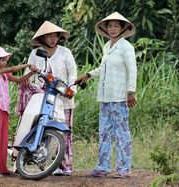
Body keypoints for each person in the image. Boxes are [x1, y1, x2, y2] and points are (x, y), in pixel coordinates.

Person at [75, 12, 137, 178]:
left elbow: (132, 70)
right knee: (104, 132)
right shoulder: (107, 46)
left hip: (120, 97)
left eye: (116, 26)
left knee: (121, 133)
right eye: (110, 26)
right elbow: (103, 69)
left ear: (123, 28)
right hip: (105, 97)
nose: (112, 29)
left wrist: (131, 91)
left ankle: (124, 169)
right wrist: (87, 75)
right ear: (105, 28)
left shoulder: (126, 47)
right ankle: (102, 167)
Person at [16, 21, 77, 176]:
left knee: (65, 131)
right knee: (33, 127)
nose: (52, 39)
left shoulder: (65, 52)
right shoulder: (35, 53)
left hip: (63, 98)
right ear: (42, 38)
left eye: (55, 35)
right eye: (48, 36)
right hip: (41, 98)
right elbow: (29, 73)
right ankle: (22, 160)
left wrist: (72, 89)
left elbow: (73, 72)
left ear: (59, 37)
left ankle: (65, 166)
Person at [0, 46, 38, 176]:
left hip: (4, 109)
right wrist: (28, 64)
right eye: (2, 60)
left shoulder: (4, 74)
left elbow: (19, 80)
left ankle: (2, 168)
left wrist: (31, 73)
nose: (5, 62)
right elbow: (13, 69)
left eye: (5, 60)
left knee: (3, 139)